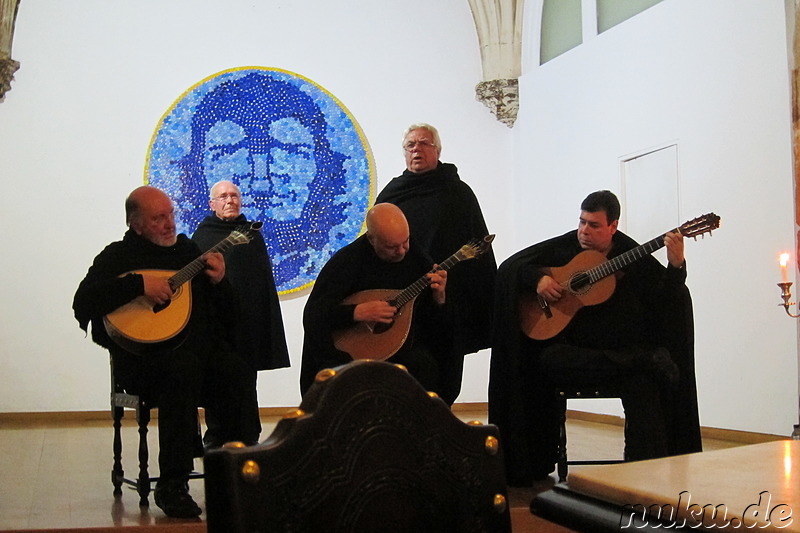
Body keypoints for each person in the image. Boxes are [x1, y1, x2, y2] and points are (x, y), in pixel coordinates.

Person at [488, 190, 702, 486]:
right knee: (551, 358)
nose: (584, 232)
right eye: (581, 222)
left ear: (613, 226)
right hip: (576, 361)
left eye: (594, 225)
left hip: (618, 362)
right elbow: (511, 268)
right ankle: (639, 360)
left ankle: (645, 480)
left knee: (645, 383)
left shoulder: (631, 253)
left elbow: (666, 302)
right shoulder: (565, 246)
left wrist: (676, 266)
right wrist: (537, 279)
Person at [73, 186, 260, 518]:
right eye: (158, 218)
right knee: (181, 369)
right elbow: (83, 301)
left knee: (238, 369)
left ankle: (237, 471)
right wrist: (139, 285)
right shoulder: (117, 256)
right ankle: (173, 484)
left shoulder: (188, 252)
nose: (169, 223)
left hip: (196, 358)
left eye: (171, 215)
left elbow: (229, 316)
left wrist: (220, 282)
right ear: (136, 224)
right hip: (142, 364)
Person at [375, 123, 497, 404]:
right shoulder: (392, 195)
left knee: (443, 381)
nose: (416, 149)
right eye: (410, 145)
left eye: (424, 143)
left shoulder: (458, 194)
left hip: (448, 303)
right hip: (401, 303)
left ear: (437, 151)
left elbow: (478, 252)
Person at [299, 203, 449, 397]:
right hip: (347, 356)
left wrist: (440, 297)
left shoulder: (417, 259)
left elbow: (433, 322)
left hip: (402, 355)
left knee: (424, 366)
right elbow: (314, 316)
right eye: (391, 247)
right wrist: (355, 312)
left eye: (406, 241)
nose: (402, 251)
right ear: (371, 239)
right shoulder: (347, 263)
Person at [192, 180, 290, 448]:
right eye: (223, 196)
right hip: (216, 325)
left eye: (234, 195)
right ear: (212, 204)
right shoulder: (202, 236)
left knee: (246, 380)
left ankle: (248, 434)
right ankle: (217, 435)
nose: (230, 200)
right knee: (216, 380)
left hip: (247, 322)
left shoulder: (251, 234)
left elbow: (260, 283)